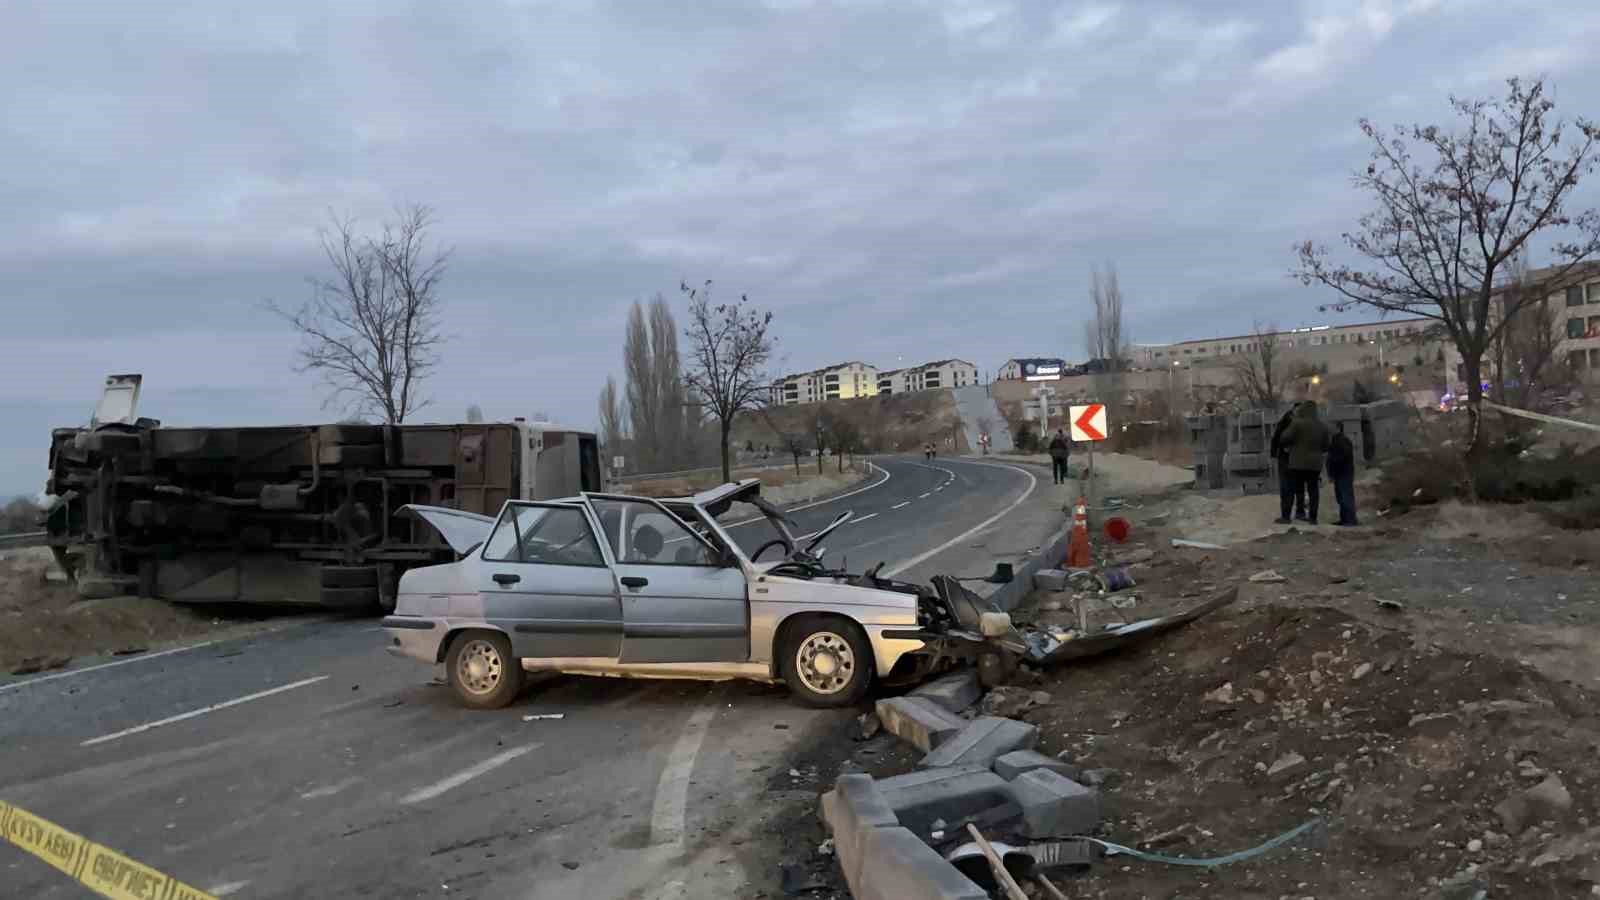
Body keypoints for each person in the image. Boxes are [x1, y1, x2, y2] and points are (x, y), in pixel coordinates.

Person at [1280, 400, 1332, 525]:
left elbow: (1284, 438)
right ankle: (1313, 518)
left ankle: (1294, 514)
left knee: (1296, 489)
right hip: (1315, 464)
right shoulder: (1322, 425)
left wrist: (1289, 445)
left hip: (1297, 463)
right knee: (1313, 490)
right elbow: (1326, 445)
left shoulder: (1297, 423)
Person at [1269, 403, 1306, 524]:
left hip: (1298, 459)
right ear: (1293, 410)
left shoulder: (1303, 421)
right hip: (1286, 459)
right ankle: (1286, 515)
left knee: (1299, 487)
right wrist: (1275, 453)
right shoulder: (1287, 420)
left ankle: (1299, 513)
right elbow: (1276, 438)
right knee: (1287, 488)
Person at [1328, 422, 1358, 526]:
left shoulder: (1342, 440)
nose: (1330, 428)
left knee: (1346, 497)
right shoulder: (1336, 440)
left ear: (1338, 428)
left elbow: (1340, 458)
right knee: (1341, 498)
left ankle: (1350, 520)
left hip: (1344, 473)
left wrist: (1333, 470)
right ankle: (1345, 519)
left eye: (1332, 426)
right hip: (1339, 474)